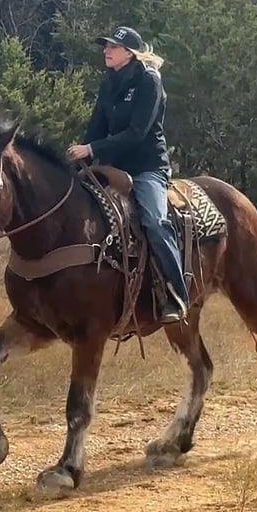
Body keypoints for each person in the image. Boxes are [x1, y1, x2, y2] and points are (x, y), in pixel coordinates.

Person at [67, 25, 189, 323]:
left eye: (113, 47)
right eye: (105, 46)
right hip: (112, 164)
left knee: (155, 223)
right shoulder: (109, 81)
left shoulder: (149, 81)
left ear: (130, 53)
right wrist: (78, 157)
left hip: (147, 166)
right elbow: (96, 126)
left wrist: (91, 148)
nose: (106, 51)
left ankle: (176, 292)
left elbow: (137, 133)